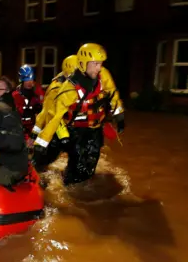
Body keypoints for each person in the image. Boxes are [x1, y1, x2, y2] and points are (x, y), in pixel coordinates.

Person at [38, 43, 125, 185]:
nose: (99, 68)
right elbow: (54, 117)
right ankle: (65, 182)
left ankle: (81, 185)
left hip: (94, 129)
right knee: (74, 165)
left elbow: (112, 93)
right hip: (73, 130)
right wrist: (42, 141)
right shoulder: (68, 89)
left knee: (89, 164)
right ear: (84, 64)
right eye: (96, 64)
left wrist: (119, 115)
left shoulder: (103, 75)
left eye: (101, 64)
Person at [30, 55, 78, 169]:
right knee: (43, 161)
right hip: (54, 132)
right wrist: (64, 138)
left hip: (64, 128)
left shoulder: (69, 85)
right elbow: (53, 115)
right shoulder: (56, 89)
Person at [12, 65, 45, 136]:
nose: (29, 83)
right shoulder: (16, 94)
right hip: (21, 127)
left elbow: (44, 106)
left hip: (37, 127)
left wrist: (40, 107)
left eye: (31, 80)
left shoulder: (38, 91)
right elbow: (18, 111)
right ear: (22, 80)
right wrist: (31, 110)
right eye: (27, 80)